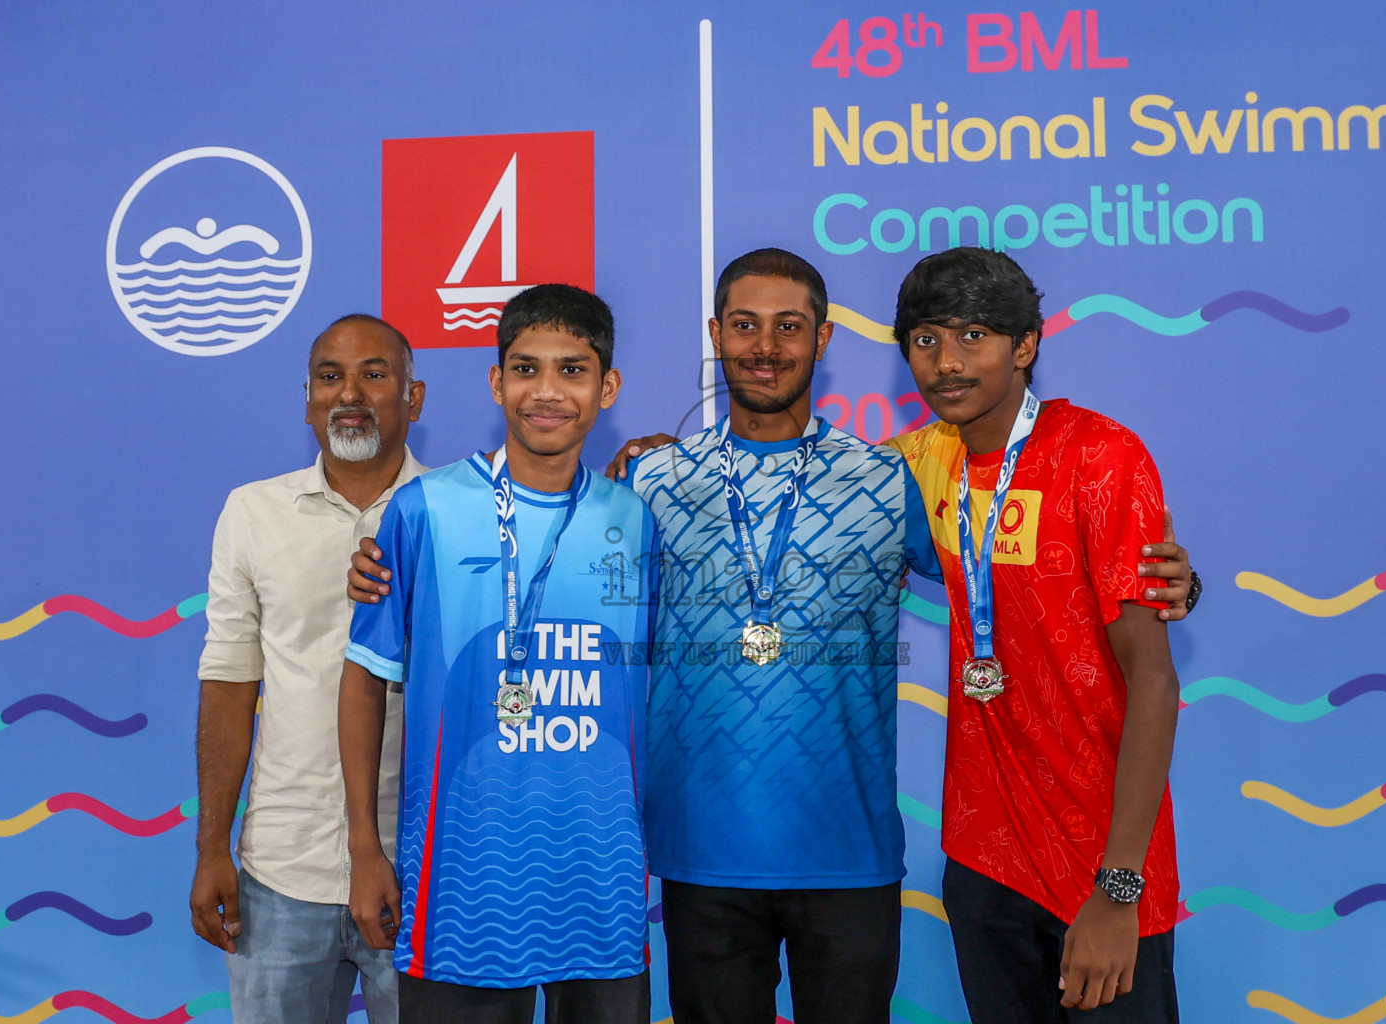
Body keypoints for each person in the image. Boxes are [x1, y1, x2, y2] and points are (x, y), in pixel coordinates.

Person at [350, 249, 1195, 1024]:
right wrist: (388, 566)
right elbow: (542, 534)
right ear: (716, 337)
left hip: (851, 858)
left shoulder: (890, 474)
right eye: (745, 326)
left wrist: (1167, 582)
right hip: (700, 859)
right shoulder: (648, 480)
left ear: (822, 339)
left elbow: (1004, 561)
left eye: (789, 326)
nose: (766, 346)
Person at [337, 284, 658, 1024]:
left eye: (573, 371)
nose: (547, 392)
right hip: (465, 887)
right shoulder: (425, 510)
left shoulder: (636, 519)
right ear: (496, 381)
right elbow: (364, 683)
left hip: (601, 881)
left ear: (607, 387)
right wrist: (366, 850)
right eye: (526, 368)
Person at [887, 247, 1183, 1023]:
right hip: (985, 863)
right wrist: (655, 459)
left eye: (973, 336)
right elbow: (804, 489)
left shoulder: (1102, 457)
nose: (945, 363)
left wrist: (1120, 891)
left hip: (1104, 862)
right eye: (924, 340)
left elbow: (1155, 680)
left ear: (1025, 345)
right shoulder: (915, 464)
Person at [191, 314, 426, 1024]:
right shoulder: (253, 513)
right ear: (307, 400)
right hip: (280, 875)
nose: (348, 394)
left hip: (422, 871)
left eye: (374, 374)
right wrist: (211, 849)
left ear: (414, 398)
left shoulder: (462, 514)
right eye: (330, 377)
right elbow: (231, 688)